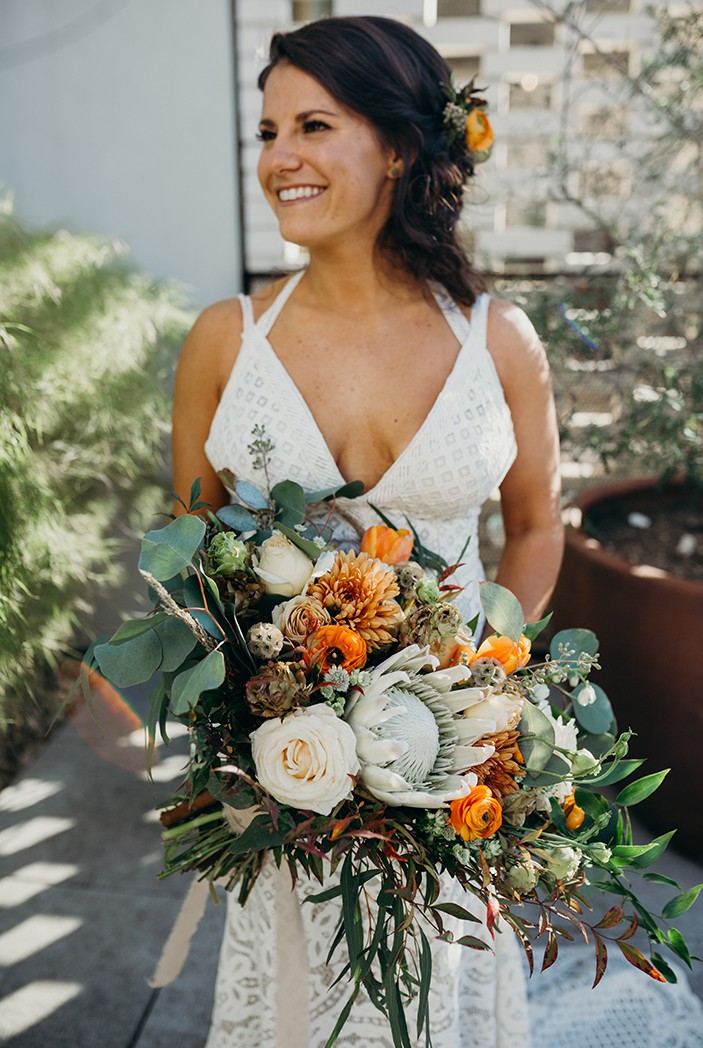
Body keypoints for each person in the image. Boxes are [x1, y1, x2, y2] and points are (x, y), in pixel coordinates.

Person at [172, 15, 563, 1047]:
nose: (279, 159)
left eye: (312, 125)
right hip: (288, 760)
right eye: (265, 133)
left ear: (397, 147)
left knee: (441, 993)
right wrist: (244, 699)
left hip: (453, 753)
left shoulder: (499, 341)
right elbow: (192, 550)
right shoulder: (226, 339)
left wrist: (489, 675)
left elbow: (532, 527)